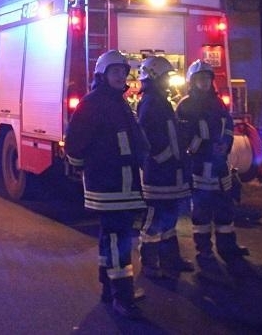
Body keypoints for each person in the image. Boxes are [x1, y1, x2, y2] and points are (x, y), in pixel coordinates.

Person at [65, 50, 149, 320]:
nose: (120, 76)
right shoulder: (93, 103)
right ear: (102, 75)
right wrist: (88, 168)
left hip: (122, 184)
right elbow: (74, 143)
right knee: (118, 239)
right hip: (108, 185)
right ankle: (123, 296)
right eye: (115, 71)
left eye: (123, 72)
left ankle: (108, 288)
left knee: (110, 236)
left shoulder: (116, 101)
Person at [176, 60, 248, 270]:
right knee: (202, 213)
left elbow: (228, 126)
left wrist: (226, 144)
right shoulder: (185, 106)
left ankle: (228, 247)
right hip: (199, 167)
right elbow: (183, 137)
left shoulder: (218, 103)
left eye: (207, 78)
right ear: (192, 81)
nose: (204, 82)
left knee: (225, 209)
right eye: (200, 78)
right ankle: (204, 251)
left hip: (220, 166)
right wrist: (205, 146)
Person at [134, 56, 194, 279]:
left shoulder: (159, 100)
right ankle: (149, 263)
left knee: (169, 219)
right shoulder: (150, 103)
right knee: (154, 220)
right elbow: (148, 139)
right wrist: (166, 157)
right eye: (166, 76)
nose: (169, 80)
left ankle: (171, 260)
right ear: (155, 77)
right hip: (158, 174)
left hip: (169, 172)